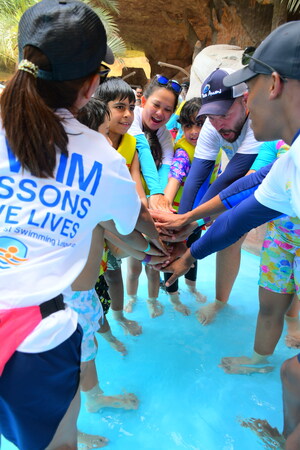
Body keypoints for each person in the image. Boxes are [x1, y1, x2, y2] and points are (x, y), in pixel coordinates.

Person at [0, 1, 167, 449]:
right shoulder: (100, 155)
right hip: (38, 331)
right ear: (92, 84)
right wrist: (168, 241)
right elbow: (136, 226)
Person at [156, 21, 300, 448]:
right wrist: (190, 247)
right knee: (292, 374)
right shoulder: (291, 160)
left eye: (247, 89)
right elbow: (244, 210)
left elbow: (238, 180)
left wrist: (190, 227)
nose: (245, 102)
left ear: (273, 84)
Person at [178, 67, 261, 325]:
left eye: (224, 114)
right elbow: (196, 175)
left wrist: (192, 222)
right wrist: (180, 224)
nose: (218, 123)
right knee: (230, 239)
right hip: (245, 179)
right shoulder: (213, 125)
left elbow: (232, 176)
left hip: (264, 175)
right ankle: (221, 301)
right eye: (212, 116)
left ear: (245, 100)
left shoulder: (260, 121)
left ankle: (292, 318)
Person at [125, 75, 181, 317]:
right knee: (134, 262)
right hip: (134, 204)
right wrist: (156, 193)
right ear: (143, 101)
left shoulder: (164, 135)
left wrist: (163, 203)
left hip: (151, 208)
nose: (160, 113)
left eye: (168, 110)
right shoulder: (132, 119)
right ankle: (131, 298)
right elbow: (144, 155)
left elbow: (168, 166)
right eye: (156, 105)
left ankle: (151, 299)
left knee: (155, 261)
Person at [163, 97, 213, 313]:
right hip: (177, 216)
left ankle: (191, 287)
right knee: (173, 255)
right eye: (187, 125)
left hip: (197, 216)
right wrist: (165, 209)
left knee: (194, 251)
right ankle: (173, 297)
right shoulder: (183, 152)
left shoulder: (214, 148)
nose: (193, 131)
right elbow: (175, 177)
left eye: (200, 124)